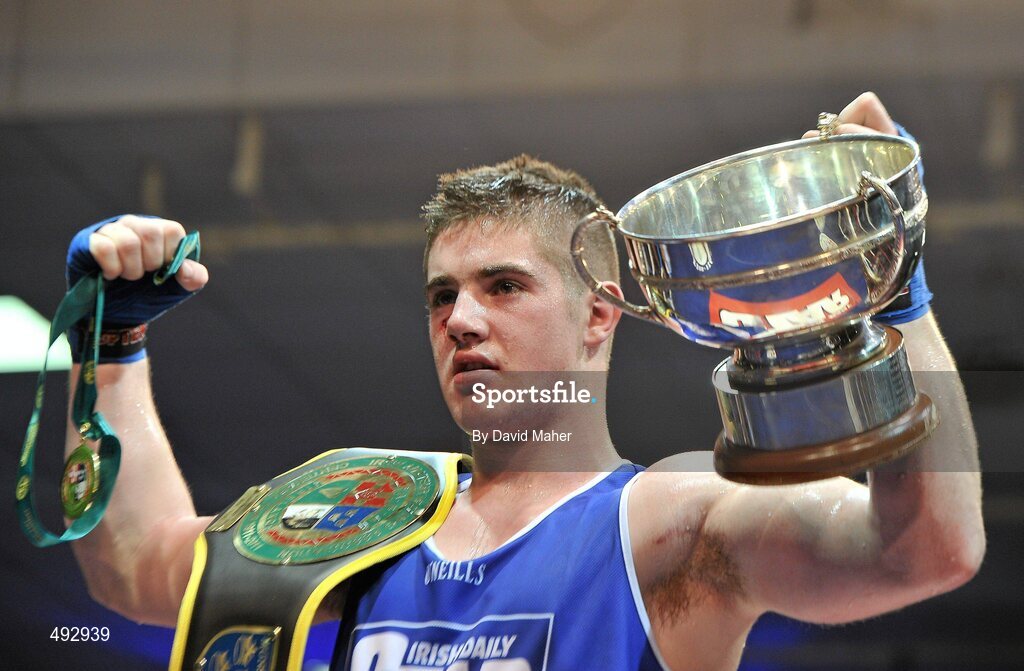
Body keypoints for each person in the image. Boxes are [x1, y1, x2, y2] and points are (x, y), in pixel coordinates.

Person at [65, 92, 984, 671]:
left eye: (503, 286)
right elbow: (134, 566)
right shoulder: (364, 516)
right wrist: (109, 344)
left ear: (597, 312)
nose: (460, 319)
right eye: (440, 296)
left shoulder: (672, 523)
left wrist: (896, 295)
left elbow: (926, 550)